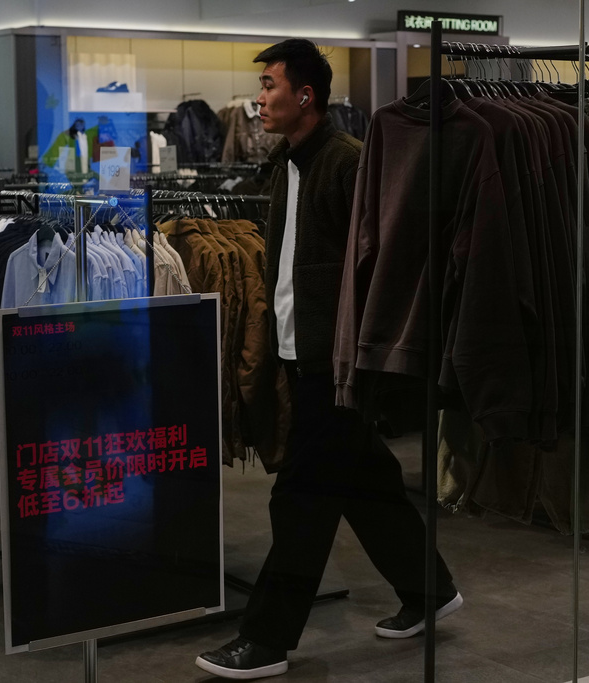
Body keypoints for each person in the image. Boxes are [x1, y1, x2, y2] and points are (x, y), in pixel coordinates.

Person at [195, 38, 461, 680]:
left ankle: (266, 639)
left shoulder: (348, 163)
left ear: (305, 95)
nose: (259, 98)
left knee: (301, 500)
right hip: (303, 359)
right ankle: (431, 591)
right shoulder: (285, 165)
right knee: (367, 485)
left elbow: (383, 267)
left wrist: (363, 362)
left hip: (338, 368)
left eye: (270, 86)